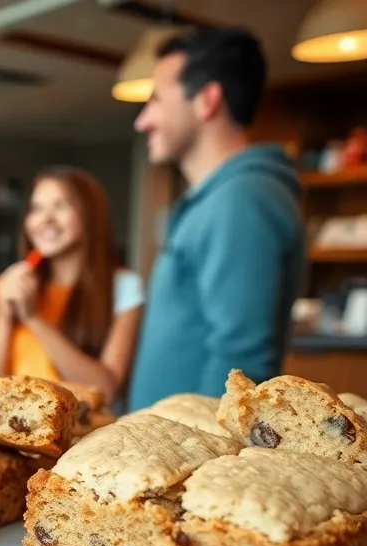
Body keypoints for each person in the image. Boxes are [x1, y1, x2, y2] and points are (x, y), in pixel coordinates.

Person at [128, 27, 304, 409]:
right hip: (169, 448)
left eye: (156, 99)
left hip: (193, 457)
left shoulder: (242, 198)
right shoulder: (220, 198)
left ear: (206, 100)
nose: (142, 121)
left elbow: (241, 362)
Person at [0, 168, 144, 402]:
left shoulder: (125, 287)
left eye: (61, 206)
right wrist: (5, 314)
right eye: (36, 209)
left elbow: (106, 389)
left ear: (90, 214)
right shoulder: (3, 285)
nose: (46, 219)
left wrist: (33, 318)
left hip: (82, 433)